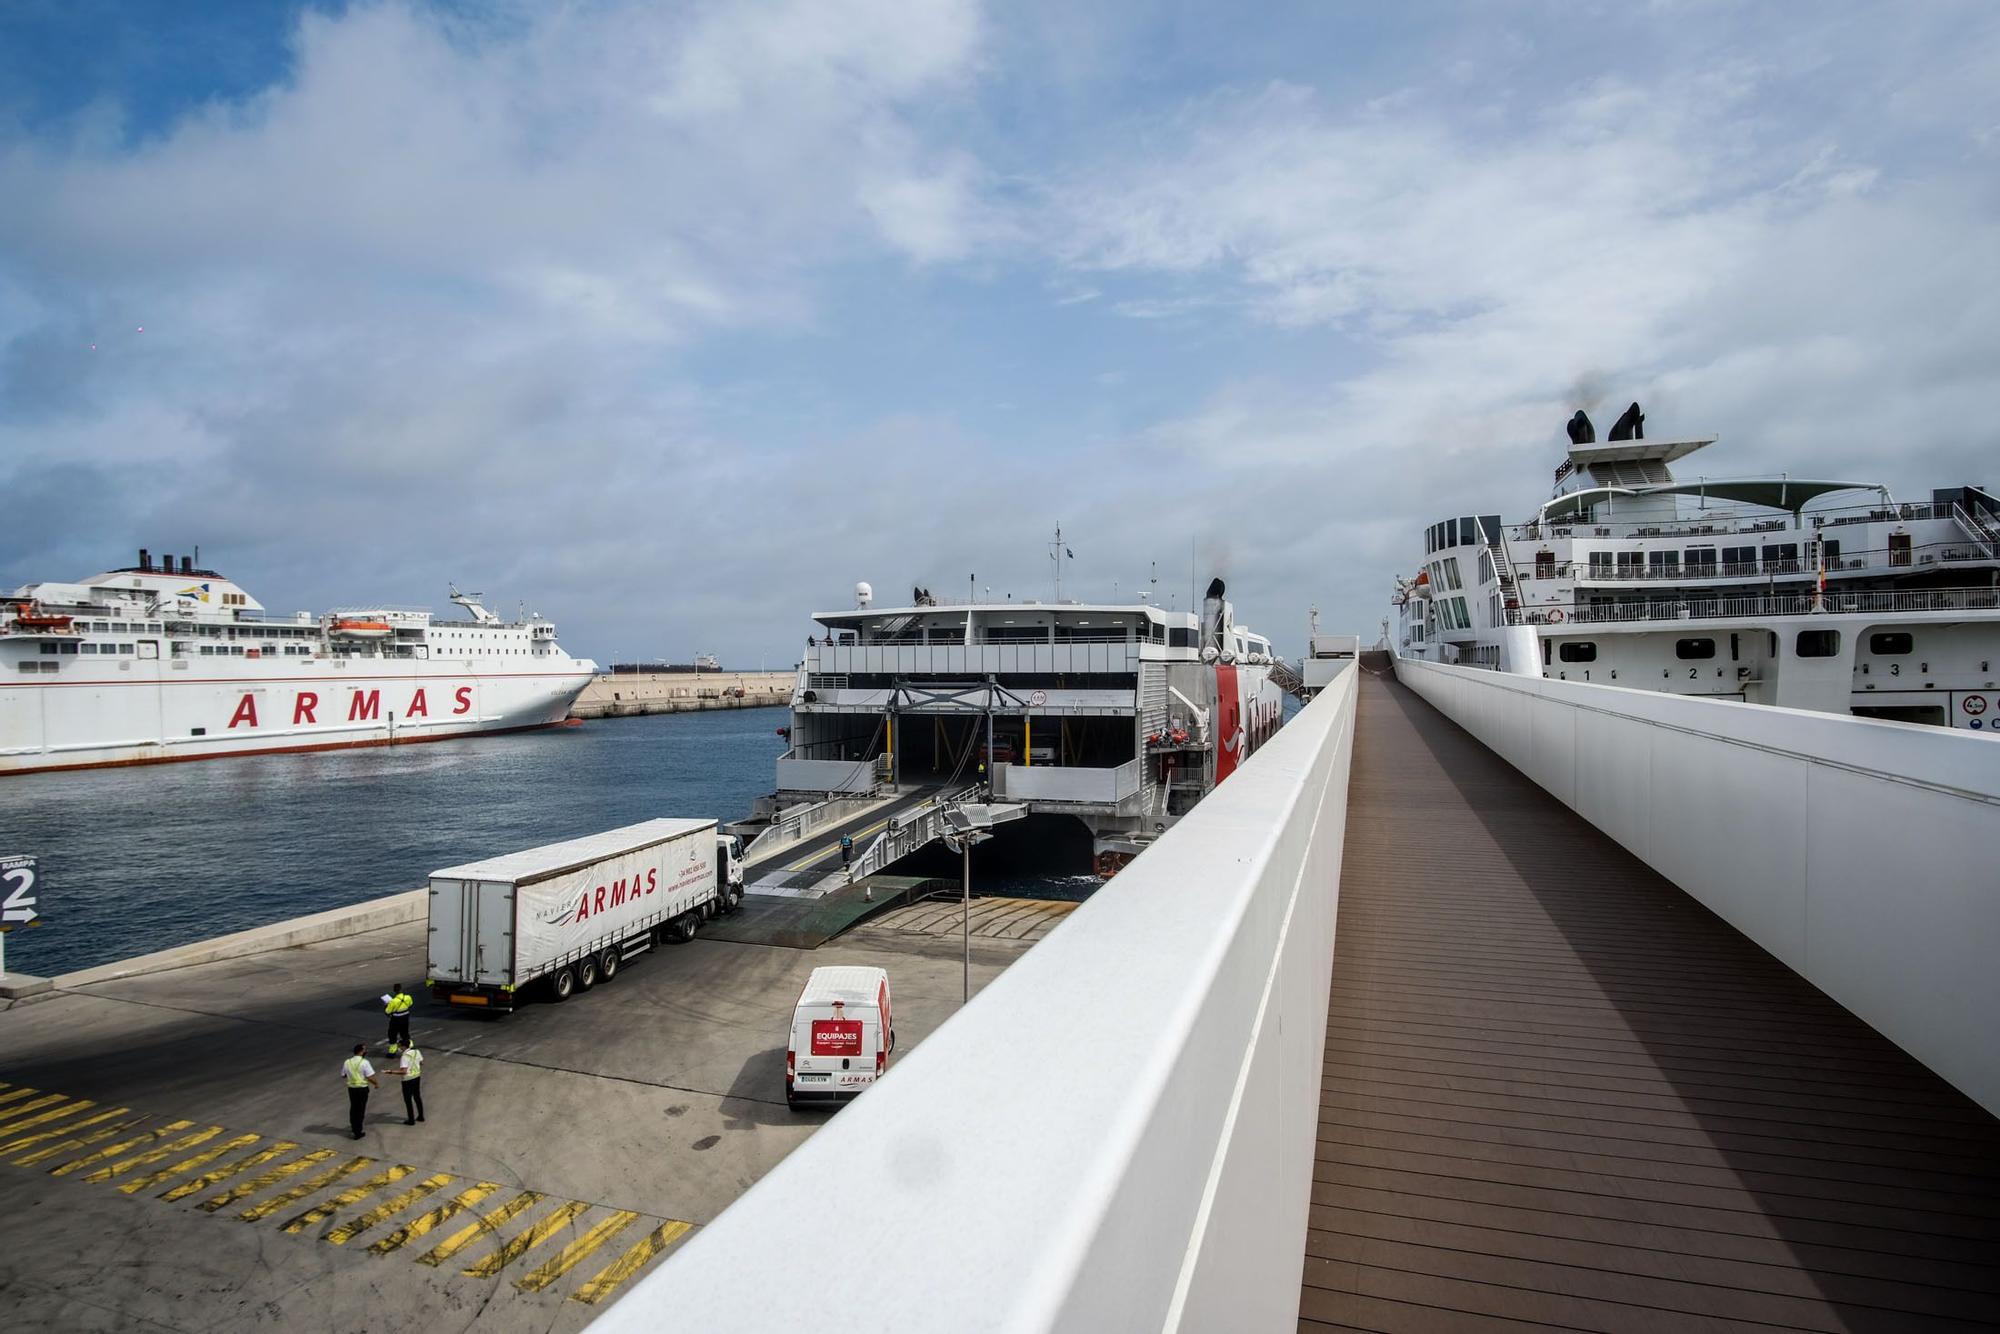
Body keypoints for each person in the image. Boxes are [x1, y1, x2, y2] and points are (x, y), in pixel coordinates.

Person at [342, 1043, 379, 1140]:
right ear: (361, 1052)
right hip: (362, 1089)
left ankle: (354, 1127)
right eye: (365, 1050)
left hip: (352, 1089)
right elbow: (369, 1076)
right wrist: (376, 1083)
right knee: (360, 1110)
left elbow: (343, 1075)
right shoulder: (365, 1062)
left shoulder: (347, 1062)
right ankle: (358, 1132)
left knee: (353, 1108)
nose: (366, 1051)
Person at [397, 1042, 425, 1125]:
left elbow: (403, 1071)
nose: (399, 1048)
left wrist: (390, 1072)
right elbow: (421, 1063)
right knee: (417, 1097)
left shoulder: (404, 1056)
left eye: (399, 1046)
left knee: (408, 1100)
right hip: (417, 1077)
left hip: (407, 1080)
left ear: (403, 1046)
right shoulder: (417, 1051)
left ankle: (411, 1120)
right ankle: (421, 1116)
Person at [383, 983, 414, 1054]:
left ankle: (392, 1050)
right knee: (405, 1032)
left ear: (394, 990)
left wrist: (385, 1005)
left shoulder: (393, 1001)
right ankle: (409, 1045)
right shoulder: (408, 997)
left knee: (392, 1033)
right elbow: (410, 1004)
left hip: (396, 1019)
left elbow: (387, 1011)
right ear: (401, 989)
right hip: (405, 1017)